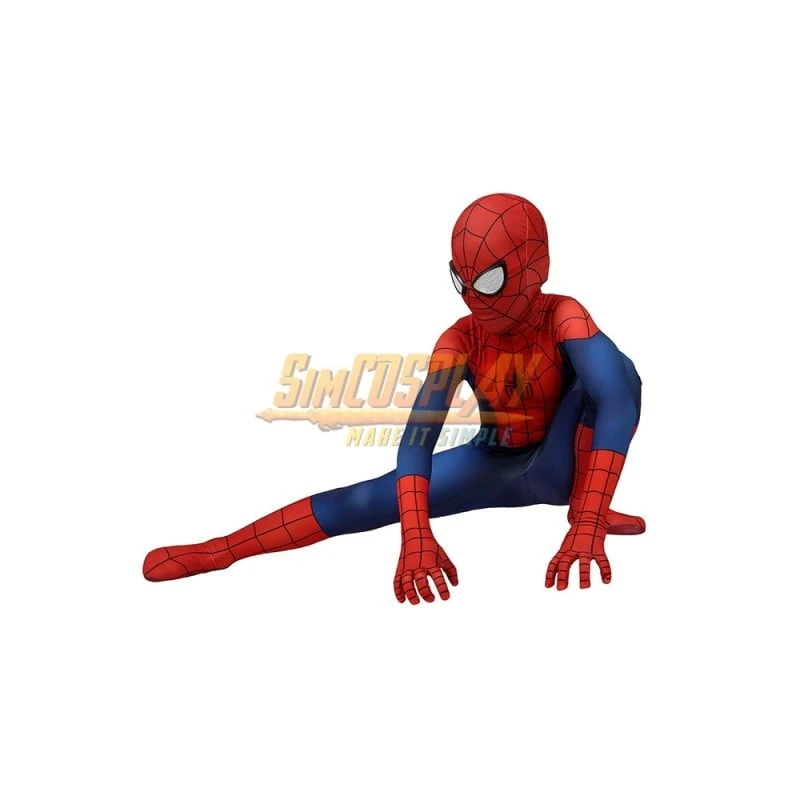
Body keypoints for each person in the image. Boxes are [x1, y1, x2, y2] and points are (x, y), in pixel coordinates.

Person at [143, 193, 644, 602]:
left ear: (538, 267)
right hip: (495, 464)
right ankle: (220, 550)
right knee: (367, 499)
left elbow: (618, 399)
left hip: (562, 464)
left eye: (490, 281)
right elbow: (417, 439)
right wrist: (416, 533)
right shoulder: (460, 339)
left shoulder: (564, 317)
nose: (474, 297)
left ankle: (587, 508)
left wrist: (590, 520)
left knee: (617, 371)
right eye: (461, 280)